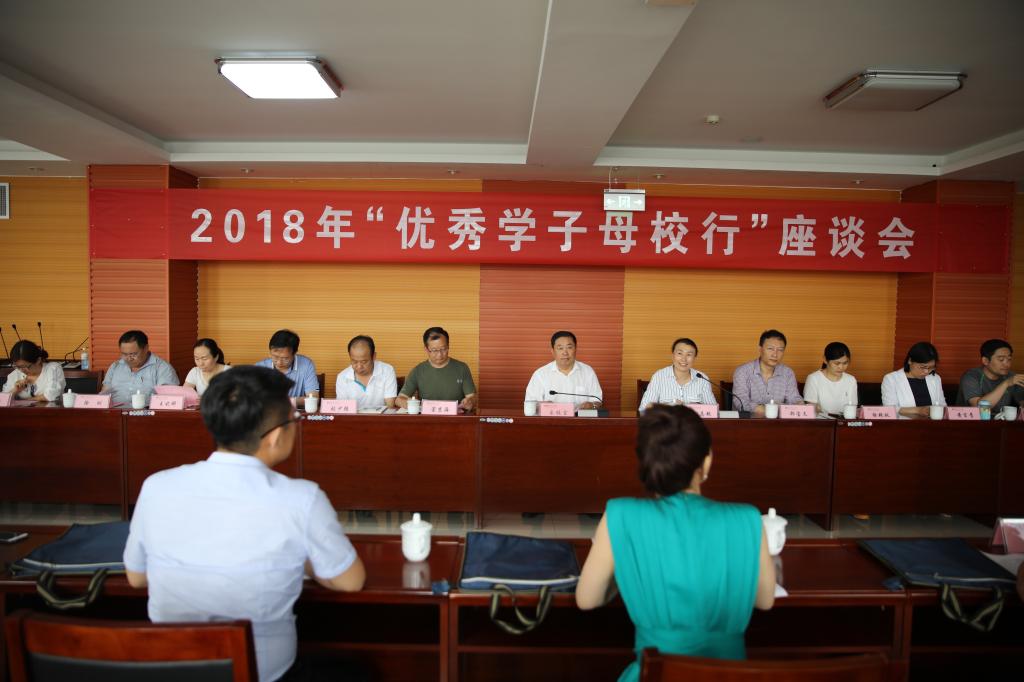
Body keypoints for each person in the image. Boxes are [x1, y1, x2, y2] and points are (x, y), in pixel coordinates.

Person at [124, 365, 366, 682]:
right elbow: (350, 581)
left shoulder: (157, 486)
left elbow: (137, 578)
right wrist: (303, 559)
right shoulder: (301, 498)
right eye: (294, 419)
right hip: (264, 674)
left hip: (172, 668)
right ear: (276, 436)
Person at [575, 405, 775, 682]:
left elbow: (587, 600)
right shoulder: (747, 518)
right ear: (706, 461)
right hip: (729, 676)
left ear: (645, 461)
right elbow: (765, 600)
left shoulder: (621, 514)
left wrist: (628, 562)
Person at [396, 327, 477, 412]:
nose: (439, 354)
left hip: (456, 417)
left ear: (448, 346)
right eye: (434, 350)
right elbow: (399, 399)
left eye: (443, 349)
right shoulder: (418, 371)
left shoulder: (462, 368)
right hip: (427, 418)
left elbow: (472, 397)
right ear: (426, 349)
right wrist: (411, 403)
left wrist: (470, 401)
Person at [524, 331, 603, 410]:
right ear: (553, 351)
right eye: (560, 348)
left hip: (580, 417)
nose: (565, 353)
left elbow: (598, 400)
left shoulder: (588, 372)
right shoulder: (540, 374)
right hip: (550, 417)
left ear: (575, 349)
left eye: (569, 347)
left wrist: (592, 405)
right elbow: (529, 404)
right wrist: (541, 405)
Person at [731, 330, 803, 415]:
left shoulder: (787, 373)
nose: (775, 354)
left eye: (780, 350)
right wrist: (770, 409)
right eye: (770, 349)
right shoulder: (743, 372)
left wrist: (800, 405)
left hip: (779, 422)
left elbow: (794, 399)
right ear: (760, 349)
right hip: (749, 421)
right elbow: (741, 403)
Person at [102, 330, 179, 406]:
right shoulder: (115, 366)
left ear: (146, 348)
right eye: (124, 354)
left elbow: (168, 401)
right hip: (114, 412)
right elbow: (104, 395)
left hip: (147, 412)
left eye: (133, 354)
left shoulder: (163, 368)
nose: (129, 358)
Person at [638, 337, 715, 411]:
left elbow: (713, 410)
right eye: (680, 353)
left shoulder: (702, 378)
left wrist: (688, 406)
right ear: (673, 355)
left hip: (692, 420)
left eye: (689, 354)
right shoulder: (659, 376)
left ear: (694, 358)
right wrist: (668, 406)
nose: (684, 359)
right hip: (666, 420)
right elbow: (644, 409)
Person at [881, 341, 945, 419]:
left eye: (931, 367)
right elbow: (889, 410)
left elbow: (943, 406)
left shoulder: (935, 379)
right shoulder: (891, 379)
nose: (926, 371)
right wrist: (918, 410)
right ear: (910, 361)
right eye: (923, 367)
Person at [955, 339, 1024, 411]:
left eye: (1009, 359)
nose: (1007, 364)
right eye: (1001, 359)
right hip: (971, 418)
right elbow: (979, 408)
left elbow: (1022, 402)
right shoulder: (971, 376)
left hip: (1001, 417)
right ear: (985, 361)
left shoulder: (1011, 376)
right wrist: (1006, 383)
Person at [335, 335, 398, 410]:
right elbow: (342, 409)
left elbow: (390, 405)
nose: (359, 366)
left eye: (364, 362)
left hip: (380, 417)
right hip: (353, 417)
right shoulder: (342, 377)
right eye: (354, 361)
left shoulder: (387, 371)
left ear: (374, 356)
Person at [255, 329, 319, 398]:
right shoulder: (260, 367)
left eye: (285, 358)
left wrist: (286, 401)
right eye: (275, 357)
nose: (279, 362)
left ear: (294, 353)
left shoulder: (306, 365)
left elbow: (314, 397)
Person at [803, 341, 858, 416]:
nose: (841, 367)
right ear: (825, 360)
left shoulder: (851, 380)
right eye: (837, 363)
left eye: (845, 363)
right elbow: (812, 409)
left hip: (844, 421)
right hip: (822, 421)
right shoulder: (813, 379)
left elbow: (852, 407)